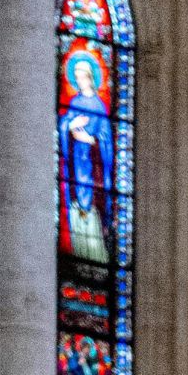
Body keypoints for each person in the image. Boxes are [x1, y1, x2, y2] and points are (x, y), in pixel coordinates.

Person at [59, 44, 116, 269]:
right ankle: (76, 249)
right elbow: (65, 126)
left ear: (91, 78)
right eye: (76, 78)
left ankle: (95, 254)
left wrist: (91, 141)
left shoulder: (99, 107)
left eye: (83, 77)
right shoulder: (73, 103)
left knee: (93, 206)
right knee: (75, 205)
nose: (80, 81)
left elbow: (105, 139)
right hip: (76, 165)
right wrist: (71, 126)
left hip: (93, 167)